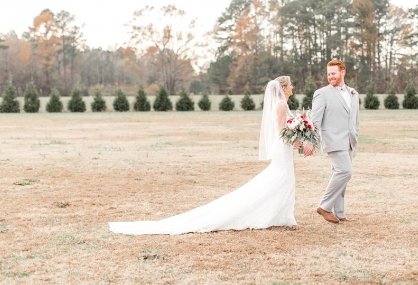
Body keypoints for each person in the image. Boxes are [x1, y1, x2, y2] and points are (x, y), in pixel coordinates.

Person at [109, 76, 298, 235]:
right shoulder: (281, 105)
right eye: (290, 85)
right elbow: (282, 131)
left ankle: (282, 215)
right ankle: (283, 216)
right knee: (281, 179)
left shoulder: (281, 104)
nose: (292, 87)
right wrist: (297, 142)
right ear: (283, 88)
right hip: (282, 148)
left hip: (283, 148)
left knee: (282, 180)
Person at [303, 59, 360, 223]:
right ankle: (325, 207)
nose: (330, 77)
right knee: (345, 171)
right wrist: (310, 141)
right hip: (333, 140)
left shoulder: (353, 93)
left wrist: (355, 134)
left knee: (341, 174)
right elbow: (315, 121)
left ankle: (340, 213)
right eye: (328, 74)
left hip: (349, 140)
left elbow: (355, 118)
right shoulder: (322, 93)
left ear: (343, 72)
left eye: (333, 73)